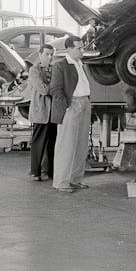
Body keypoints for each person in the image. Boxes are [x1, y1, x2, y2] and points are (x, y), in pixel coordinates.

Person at [50, 36, 91, 193]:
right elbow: (55, 89)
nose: (82, 51)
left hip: (84, 103)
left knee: (81, 145)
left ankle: (75, 179)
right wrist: (65, 107)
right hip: (71, 105)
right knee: (66, 146)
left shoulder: (80, 64)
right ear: (68, 49)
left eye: (82, 48)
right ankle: (61, 182)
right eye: (78, 48)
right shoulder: (60, 66)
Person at [28, 44, 57, 182]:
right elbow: (43, 90)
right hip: (41, 111)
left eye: (52, 54)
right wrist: (55, 87)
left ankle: (50, 171)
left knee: (52, 143)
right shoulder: (34, 70)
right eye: (47, 54)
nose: (50, 57)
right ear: (39, 54)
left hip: (53, 112)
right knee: (39, 142)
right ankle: (35, 171)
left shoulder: (54, 69)